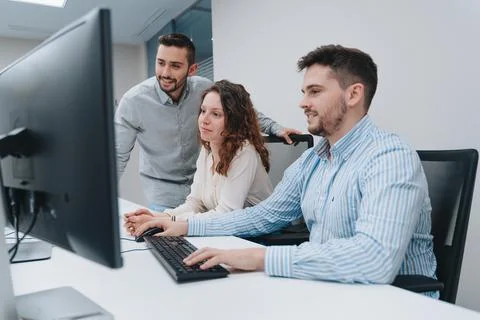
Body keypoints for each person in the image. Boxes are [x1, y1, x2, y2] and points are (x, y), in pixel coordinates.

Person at [133, 44, 437, 287]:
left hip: (393, 302)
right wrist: (185, 226)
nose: (303, 103)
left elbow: (374, 260)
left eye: (315, 91)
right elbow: (266, 215)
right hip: (329, 289)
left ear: (353, 94)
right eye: (303, 92)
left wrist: (260, 257)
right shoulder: (313, 161)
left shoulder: (389, 156)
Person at [115, 33, 299, 211]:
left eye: (175, 66)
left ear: (192, 69)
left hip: (210, 195)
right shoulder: (134, 102)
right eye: (160, 63)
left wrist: (276, 128)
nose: (165, 72)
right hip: (165, 196)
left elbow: (239, 110)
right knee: (165, 239)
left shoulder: (204, 89)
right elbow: (117, 155)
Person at [124, 80, 273, 230]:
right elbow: (195, 203)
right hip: (228, 232)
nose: (204, 120)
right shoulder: (207, 149)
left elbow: (226, 214)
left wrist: (170, 222)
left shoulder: (244, 152)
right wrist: (157, 217)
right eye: (203, 111)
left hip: (258, 237)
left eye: (215, 114)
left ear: (234, 121)